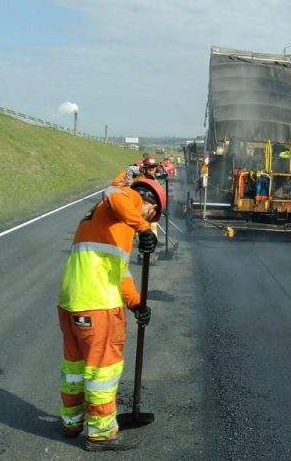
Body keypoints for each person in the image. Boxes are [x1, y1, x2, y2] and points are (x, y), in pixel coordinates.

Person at [57, 179, 165, 452]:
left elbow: (120, 273)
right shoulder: (129, 199)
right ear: (151, 205)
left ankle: (71, 422)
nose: (148, 221)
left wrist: (136, 304)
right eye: (151, 217)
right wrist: (142, 227)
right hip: (97, 303)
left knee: (74, 368)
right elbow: (113, 192)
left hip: (72, 300)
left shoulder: (109, 223)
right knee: (102, 370)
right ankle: (102, 434)